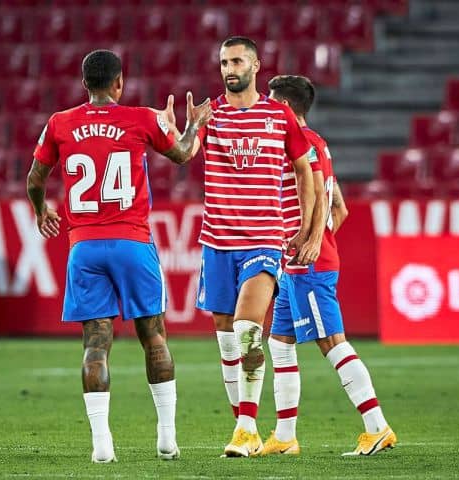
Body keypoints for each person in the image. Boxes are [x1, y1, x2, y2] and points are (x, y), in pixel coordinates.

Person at [25, 49, 212, 463]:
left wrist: (41, 211)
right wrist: (194, 125)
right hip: (132, 242)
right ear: (119, 83)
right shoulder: (142, 118)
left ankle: (101, 445)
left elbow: (34, 179)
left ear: (83, 85)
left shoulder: (60, 123)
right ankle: (166, 437)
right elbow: (183, 154)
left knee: (96, 344)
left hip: (85, 247)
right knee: (155, 336)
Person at [156, 36, 317, 457]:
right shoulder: (211, 115)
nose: (229, 68)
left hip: (263, 239)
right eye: (224, 61)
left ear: (256, 65)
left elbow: (305, 171)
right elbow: (184, 153)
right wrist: (185, 126)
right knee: (228, 343)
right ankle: (245, 428)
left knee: (248, 332)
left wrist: (303, 229)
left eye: (237, 61)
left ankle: (246, 428)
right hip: (217, 244)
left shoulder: (279, 116)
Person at [261, 74, 397, 457]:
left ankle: (378, 427)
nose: (267, 111)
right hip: (294, 264)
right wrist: (320, 236)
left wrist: (312, 243)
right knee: (280, 344)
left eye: (272, 104)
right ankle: (285, 437)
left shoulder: (301, 145)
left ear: (285, 108)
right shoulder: (317, 143)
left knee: (332, 343)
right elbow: (341, 207)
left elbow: (321, 198)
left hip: (307, 263)